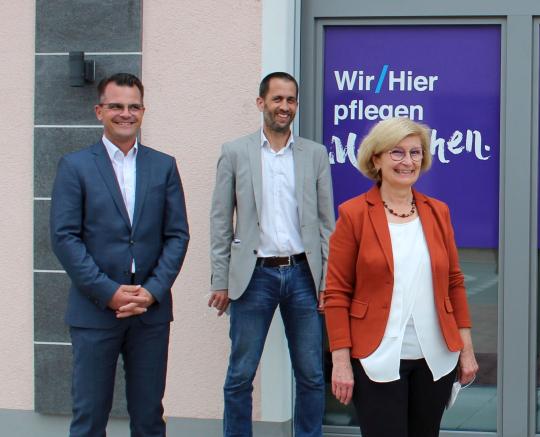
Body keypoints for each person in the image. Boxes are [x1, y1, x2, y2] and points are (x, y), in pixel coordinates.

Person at [50, 73, 190, 437]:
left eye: (133, 106)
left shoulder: (164, 166)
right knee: (89, 417)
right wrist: (109, 291)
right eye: (116, 106)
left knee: (148, 418)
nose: (125, 114)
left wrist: (152, 290)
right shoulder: (75, 166)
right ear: (99, 111)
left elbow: (177, 236)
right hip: (95, 311)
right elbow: (65, 238)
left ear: (143, 112)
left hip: (150, 311)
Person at [324, 117, 479, 437]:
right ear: (376, 158)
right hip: (376, 357)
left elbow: (454, 283)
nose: (407, 161)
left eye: (415, 152)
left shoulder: (438, 212)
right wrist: (340, 362)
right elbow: (336, 293)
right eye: (397, 152)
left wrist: (467, 348)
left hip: (434, 359)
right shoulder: (353, 214)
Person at [208, 72, 334, 437]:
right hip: (254, 276)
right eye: (277, 99)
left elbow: (328, 223)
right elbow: (220, 220)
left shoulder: (315, 154)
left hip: (303, 276)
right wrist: (220, 279)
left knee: (311, 374)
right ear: (261, 102)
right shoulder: (235, 152)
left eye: (291, 100)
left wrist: (327, 280)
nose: (285, 107)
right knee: (241, 374)